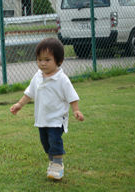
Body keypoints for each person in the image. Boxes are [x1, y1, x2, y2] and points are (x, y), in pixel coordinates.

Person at [10, 38, 84, 180]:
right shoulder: (37, 77)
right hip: (42, 118)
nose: (42, 63)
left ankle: (57, 165)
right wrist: (19, 104)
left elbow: (72, 96)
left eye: (47, 60)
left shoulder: (62, 79)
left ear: (59, 61)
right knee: (46, 143)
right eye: (39, 60)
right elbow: (29, 93)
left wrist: (76, 110)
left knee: (55, 140)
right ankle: (53, 161)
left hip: (57, 119)